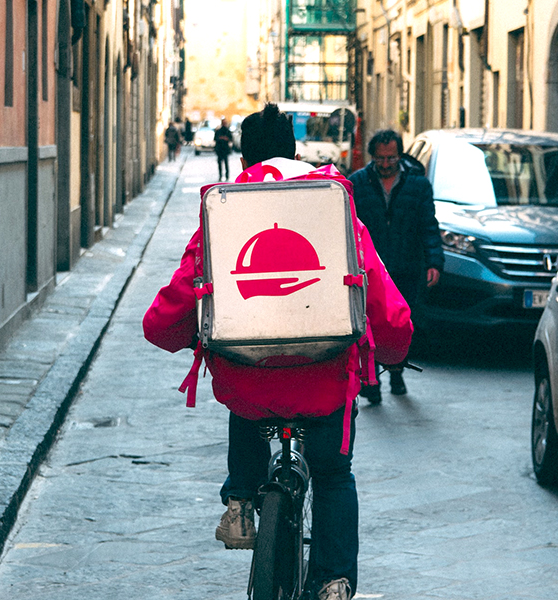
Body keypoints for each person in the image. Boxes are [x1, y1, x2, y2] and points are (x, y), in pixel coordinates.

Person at [143, 103, 412, 600]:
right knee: (333, 473)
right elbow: (380, 296)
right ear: (293, 151)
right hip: (325, 380)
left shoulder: (225, 212)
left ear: (245, 155)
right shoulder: (333, 205)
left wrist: (169, 331)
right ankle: (333, 578)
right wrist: (393, 347)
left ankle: (241, 503)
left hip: (250, 385)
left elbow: (183, 296)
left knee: (244, 387)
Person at [348, 129, 443, 402]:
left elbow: (428, 226)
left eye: (391, 158)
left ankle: (397, 372)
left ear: (399, 155)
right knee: (371, 325)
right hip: (371, 271)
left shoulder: (418, 185)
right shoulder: (358, 184)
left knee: (401, 325)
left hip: (407, 267)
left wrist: (434, 262)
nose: (386, 164)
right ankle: (372, 381)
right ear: (372, 157)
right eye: (380, 159)